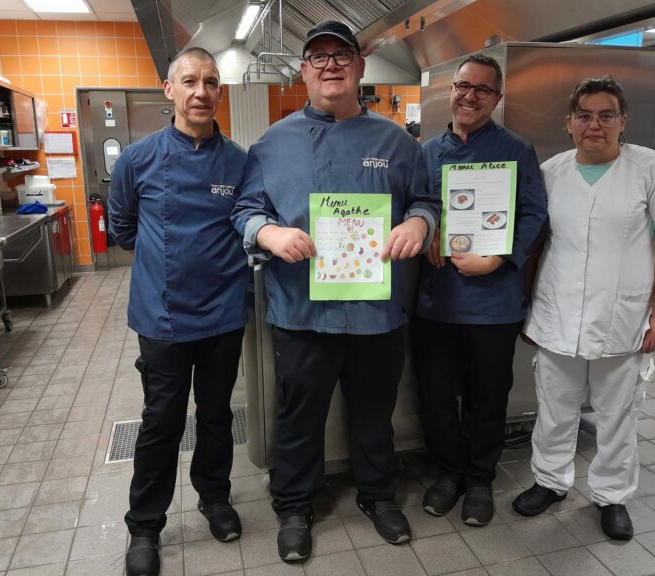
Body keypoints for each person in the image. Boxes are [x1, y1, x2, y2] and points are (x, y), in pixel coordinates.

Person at [232, 20, 440, 563]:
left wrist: (419, 223)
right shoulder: (272, 144)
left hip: (376, 312)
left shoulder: (396, 142)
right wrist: (269, 233)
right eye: (318, 57)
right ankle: (294, 507)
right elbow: (246, 210)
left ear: (360, 66)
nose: (331, 65)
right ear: (304, 70)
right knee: (299, 417)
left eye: (341, 55)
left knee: (374, 413)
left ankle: (378, 495)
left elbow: (425, 201)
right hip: (302, 312)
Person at [512, 75, 655, 540]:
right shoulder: (551, 172)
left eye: (606, 115)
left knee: (618, 415)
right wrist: (527, 307)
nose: (595, 124)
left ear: (622, 121)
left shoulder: (650, 169)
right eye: (585, 115)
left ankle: (612, 495)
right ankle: (550, 481)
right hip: (557, 313)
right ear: (569, 123)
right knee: (554, 409)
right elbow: (535, 244)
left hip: (623, 319)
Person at [108, 47, 248, 576]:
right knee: (161, 421)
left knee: (216, 415)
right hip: (162, 318)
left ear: (219, 92)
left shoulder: (238, 162)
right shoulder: (137, 159)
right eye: (189, 81)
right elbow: (123, 230)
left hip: (224, 314)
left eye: (210, 82)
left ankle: (214, 497)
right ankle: (145, 526)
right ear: (169, 90)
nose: (200, 92)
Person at [414, 54, 548, 526]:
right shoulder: (427, 152)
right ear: (451, 90)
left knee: (488, 396)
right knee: (435, 396)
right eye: (463, 86)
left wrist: (499, 257)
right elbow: (415, 204)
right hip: (438, 300)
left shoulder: (516, 149)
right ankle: (448, 473)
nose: (470, 96)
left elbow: (534, 213)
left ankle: (478, 480)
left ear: (497, 97)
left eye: (482, 89)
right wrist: (427, 230)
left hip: (495, 301)